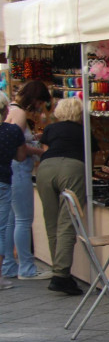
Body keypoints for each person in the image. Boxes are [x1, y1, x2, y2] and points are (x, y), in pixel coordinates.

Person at [36, 98, 89, 296]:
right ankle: (61, 275)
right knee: (68, 221)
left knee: (51, 222)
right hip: (72, 168)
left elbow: (45, 150)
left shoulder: (51, 129)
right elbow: (90, 155)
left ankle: (57, 270)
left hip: (46, 167)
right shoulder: (83, 130)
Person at [3, 81, 52, 281]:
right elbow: (17, 147)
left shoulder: (11, 110)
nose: (40, 108)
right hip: (19, 169)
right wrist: (40, 151)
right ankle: (27, 267)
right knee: (23, 219)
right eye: (40, 102)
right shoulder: (21, 114)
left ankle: (9, 266)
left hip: (10, 169)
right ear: (34, 99)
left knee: (11, 221)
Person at [0, 100, 28, 290]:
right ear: (5, 110)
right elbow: (20, 157)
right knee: (1, 228)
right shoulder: (12, 132)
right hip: (3, 181)